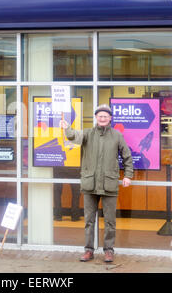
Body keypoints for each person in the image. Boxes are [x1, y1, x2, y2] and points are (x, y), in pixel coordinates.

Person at [60, 103, 133, 263]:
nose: (102, 118)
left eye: (105, 116)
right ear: (96, 118)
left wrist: (128, 175)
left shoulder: (117, 136)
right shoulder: (87, 133)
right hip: (90, 184)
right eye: (100, 116)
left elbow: (127, 157)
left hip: (109, 184)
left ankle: (108, 250)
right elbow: (74, 137)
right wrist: (67, 128)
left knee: (110, 221)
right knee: (89, 220)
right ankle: (88, 250)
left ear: (110, 118)